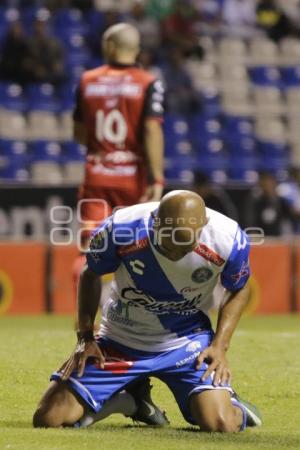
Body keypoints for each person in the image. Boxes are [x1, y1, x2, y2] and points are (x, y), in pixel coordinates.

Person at [33, 190, 262, 432]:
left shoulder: (229, 238)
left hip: (186, 342)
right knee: (48, 418)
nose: (175, 254)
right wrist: (85, 338)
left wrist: (219, 346)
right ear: (154, 222)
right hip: (119, 339)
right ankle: (131, 402)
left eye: (185, 246)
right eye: (169, 246)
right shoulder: (121, 228)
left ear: (204, 225)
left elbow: (239, 289)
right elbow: (90, 274)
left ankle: (232, 403)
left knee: (222, 424)